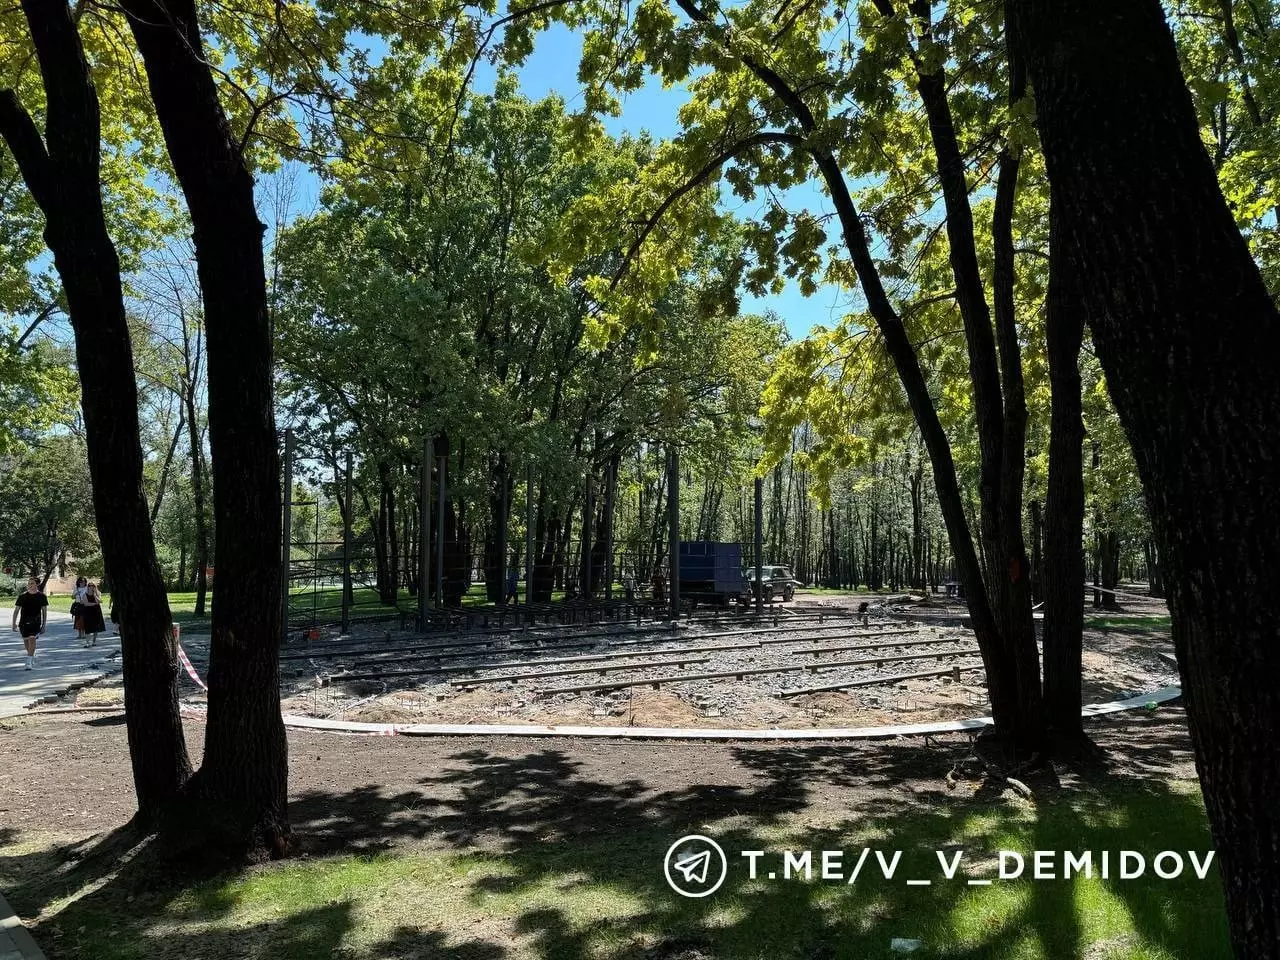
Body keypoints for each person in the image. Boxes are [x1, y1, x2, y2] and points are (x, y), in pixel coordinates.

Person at [11, 576, 48, 670]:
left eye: (32, 583)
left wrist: (43, 625)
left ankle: (29, 661)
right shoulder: (22, 596)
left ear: (37, 585)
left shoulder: (42, 596)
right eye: (29, 583)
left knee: (32, 639)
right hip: (24, 622)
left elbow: (44, 611)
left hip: (36, 622)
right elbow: (16, 610)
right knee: (26, 641)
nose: (30, 585)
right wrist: (13, 623)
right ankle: (31, 655)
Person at [80, 581, 106, 647]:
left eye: (92, 585)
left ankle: (94, 641)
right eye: (89, 585)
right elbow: (86, 603)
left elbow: (100, 601)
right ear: (88, 587)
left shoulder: (98, 593)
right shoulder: (85, 594)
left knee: (96, 627)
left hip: (96, 611)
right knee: (87, 626)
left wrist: (95, 595)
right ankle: (87, 642)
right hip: (88, 612)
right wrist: (94, 604)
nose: (91, 587)